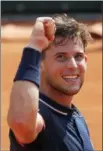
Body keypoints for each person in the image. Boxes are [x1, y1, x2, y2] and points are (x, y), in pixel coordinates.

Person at [7, 14, 94, 151]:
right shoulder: (40, 116)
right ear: (40, 64)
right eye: (61, 57)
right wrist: (34, 47)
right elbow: (21, 121)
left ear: (86, 61)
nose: (72, 65)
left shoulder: (76, 117)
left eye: (78, 56)